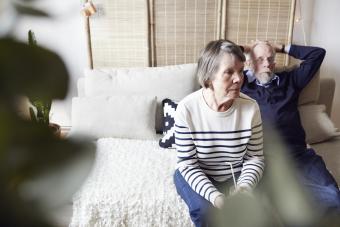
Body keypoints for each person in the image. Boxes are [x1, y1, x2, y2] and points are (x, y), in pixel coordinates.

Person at [173, 39, 265, 227]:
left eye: (240, 70)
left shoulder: (251, 108)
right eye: (229, 72)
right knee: (205, 212)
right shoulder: (186, 109)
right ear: (209, 77)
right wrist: (216, 197)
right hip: (196, 171)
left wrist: (245, 187)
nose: (239, 78)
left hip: (236, 174)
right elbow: (188, 164)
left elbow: (255, 158)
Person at [241, 40, 340, 212]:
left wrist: (282, 48)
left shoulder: (290, 80)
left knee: (333, 196)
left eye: (270, 59)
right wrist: (245, 49)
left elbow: (318, 54)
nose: (267, 64)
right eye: (260, 59)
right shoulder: (242, 86)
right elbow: (218, 58)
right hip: (263, 159)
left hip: (298, 154)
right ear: (250, 63)